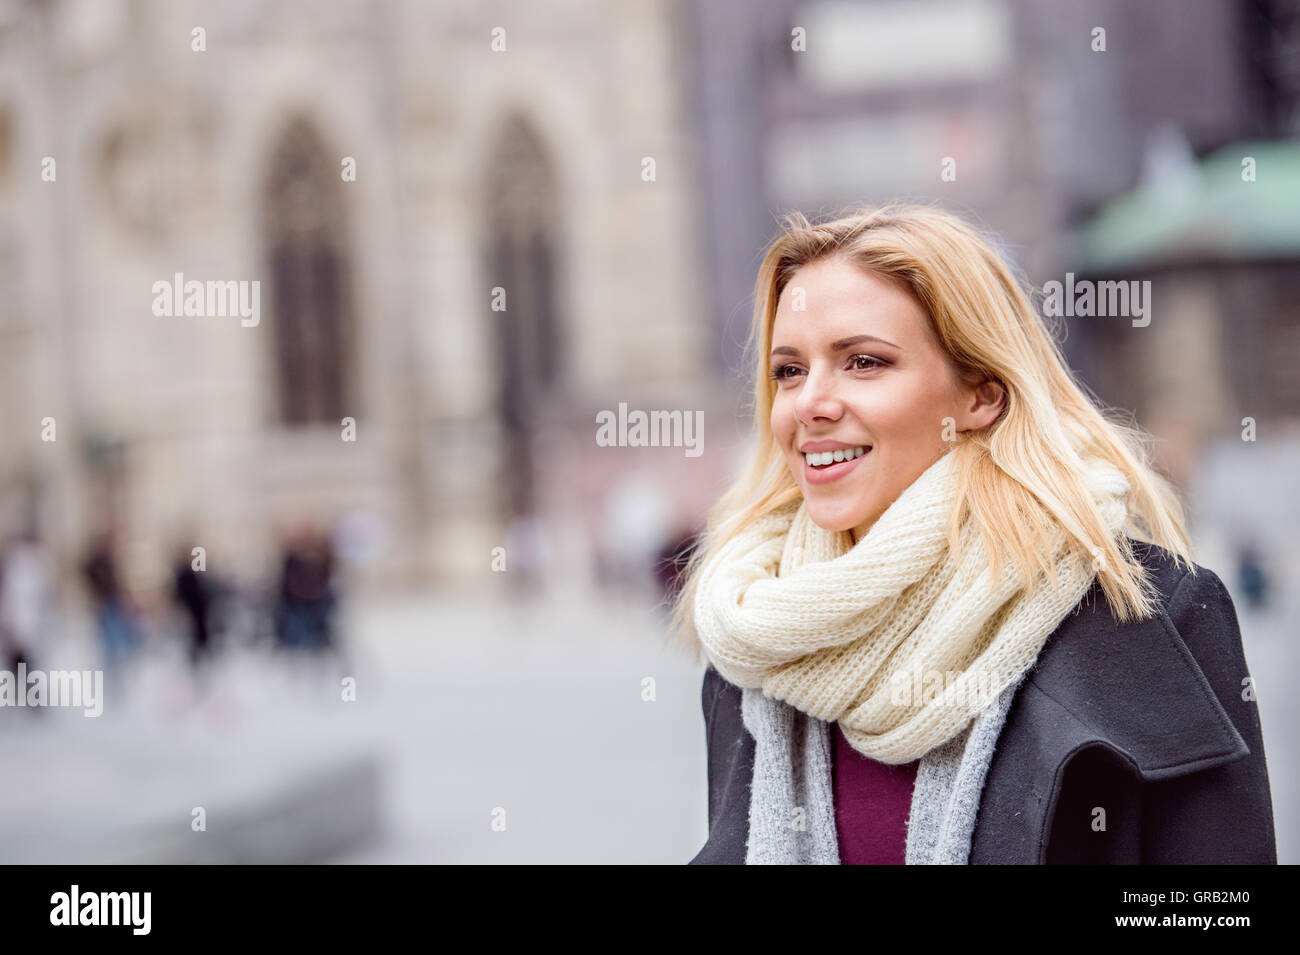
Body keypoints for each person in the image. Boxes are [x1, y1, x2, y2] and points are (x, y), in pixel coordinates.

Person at [672, 204, 1276, 865]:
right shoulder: (756, 645)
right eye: (789, 369)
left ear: (980, 395)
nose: (810, 403)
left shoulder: (1151, 613)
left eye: (864, 362)